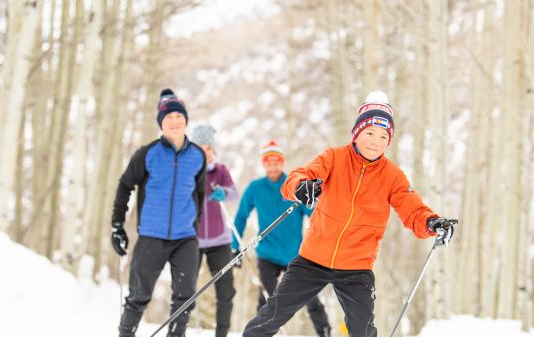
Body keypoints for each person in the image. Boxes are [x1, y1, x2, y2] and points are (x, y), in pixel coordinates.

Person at [242, 91, 457, 337]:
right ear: (356, 133)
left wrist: (432, 222)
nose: (375, 141)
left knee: (362, 330)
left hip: (356, 267)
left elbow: (413, 210)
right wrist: (302, 187)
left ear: (389, 141)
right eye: (369, 133)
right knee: (271, 316)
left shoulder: (392, 176)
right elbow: (298, 177)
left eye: (383, 136)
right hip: (312, 260)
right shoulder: (334, 158)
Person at [111, 88, 206, 337]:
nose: (174, 122)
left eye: (179, 117)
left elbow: (200, 194)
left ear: (186, 120)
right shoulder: (147, 154)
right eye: (168, 118)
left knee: (184, 298)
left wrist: (196, 227)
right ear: (161, 122)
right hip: (151, 235)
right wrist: (117, 226)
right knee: (139, 295)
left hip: (185, 238)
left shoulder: (197, 156)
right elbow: (124, 186)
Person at [233, 141, 332, 337]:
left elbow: (313, 216)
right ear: (264, 164)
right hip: (267, 254)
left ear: (282, 163)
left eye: (276, 162)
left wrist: (325, 240)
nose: (273, 166)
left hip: (294, 254)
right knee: (267, 300)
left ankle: (326, 333)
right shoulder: (255, 188)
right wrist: (234, 246)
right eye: (268, 162)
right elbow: (241, 216)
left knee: (310, 297)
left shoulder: (293, 186)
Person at [192, 125, 239, 337]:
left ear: (213, 150)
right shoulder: (188, 170)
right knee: (184, 289)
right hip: (191, 240)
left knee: (226, 291)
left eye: (209, 147)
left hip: (220, 241)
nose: (205, 151)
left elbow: (233, 193)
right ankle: (181, 329)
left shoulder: (220, 171)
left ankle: (222, 334)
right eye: (201, 147)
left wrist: (223, 192)